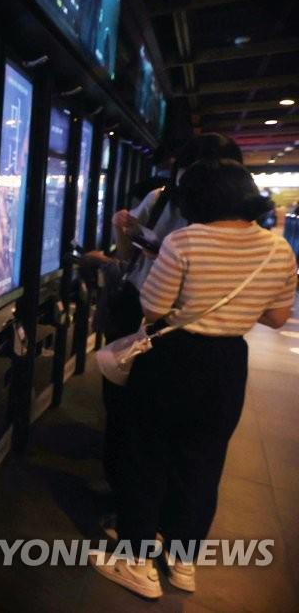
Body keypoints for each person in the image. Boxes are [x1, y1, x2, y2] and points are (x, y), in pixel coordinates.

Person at [91, 159, 296, 599]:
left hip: (173, 358)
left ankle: (136, 562)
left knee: (147, 457)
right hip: (228, 363)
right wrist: (235, 309)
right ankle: (183, 563)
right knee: (204, 462)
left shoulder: (184, 241)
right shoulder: (278, 250)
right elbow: (278, 317)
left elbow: (153, 309)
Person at [88, 133, 241, 501]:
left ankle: (145, 503)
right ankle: (119, 489)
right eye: (187, 168)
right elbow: (127, 257)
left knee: (157, 419)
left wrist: (170, 259)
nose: (192, 177)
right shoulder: (160, 200)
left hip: (180, 323)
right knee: (120, 404)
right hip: (136, 308)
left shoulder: (231, 217)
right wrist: (123, 228)